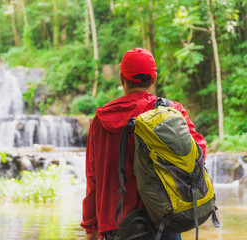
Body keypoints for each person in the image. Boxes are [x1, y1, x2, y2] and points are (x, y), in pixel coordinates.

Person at [80, 48, 207, 240]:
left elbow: (93, 178)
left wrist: (90, 227)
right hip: (166, 219)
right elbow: (199, 155)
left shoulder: (100, 121)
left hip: (116, 223)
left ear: (122, 79)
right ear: (154, 78)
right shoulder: (171, 112)